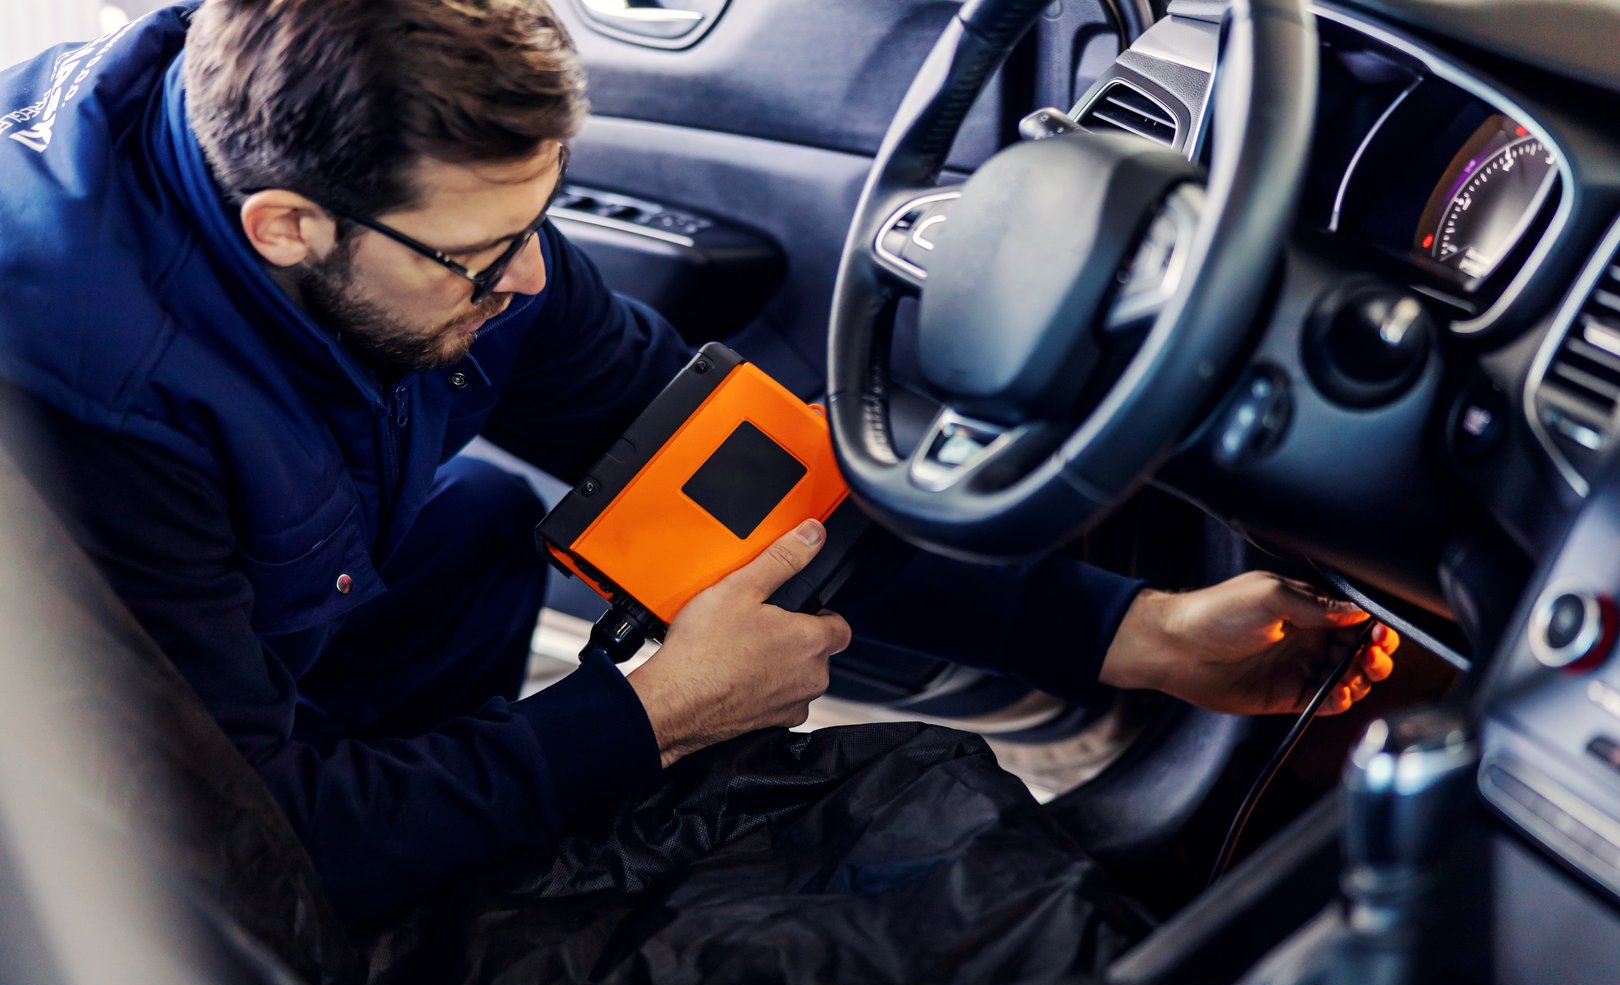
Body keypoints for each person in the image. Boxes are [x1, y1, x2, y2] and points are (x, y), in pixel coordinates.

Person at [0, 0, 1397, 927]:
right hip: (97, 827)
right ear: (287, 229)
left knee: (486, 519)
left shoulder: (418, 215)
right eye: (481, 257)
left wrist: (1130, 635)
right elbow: (242, 853)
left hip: (277, 657)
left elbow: (720, 462)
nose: (539, 279)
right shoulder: (99, 413)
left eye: (542, 215)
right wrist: (651, 715)